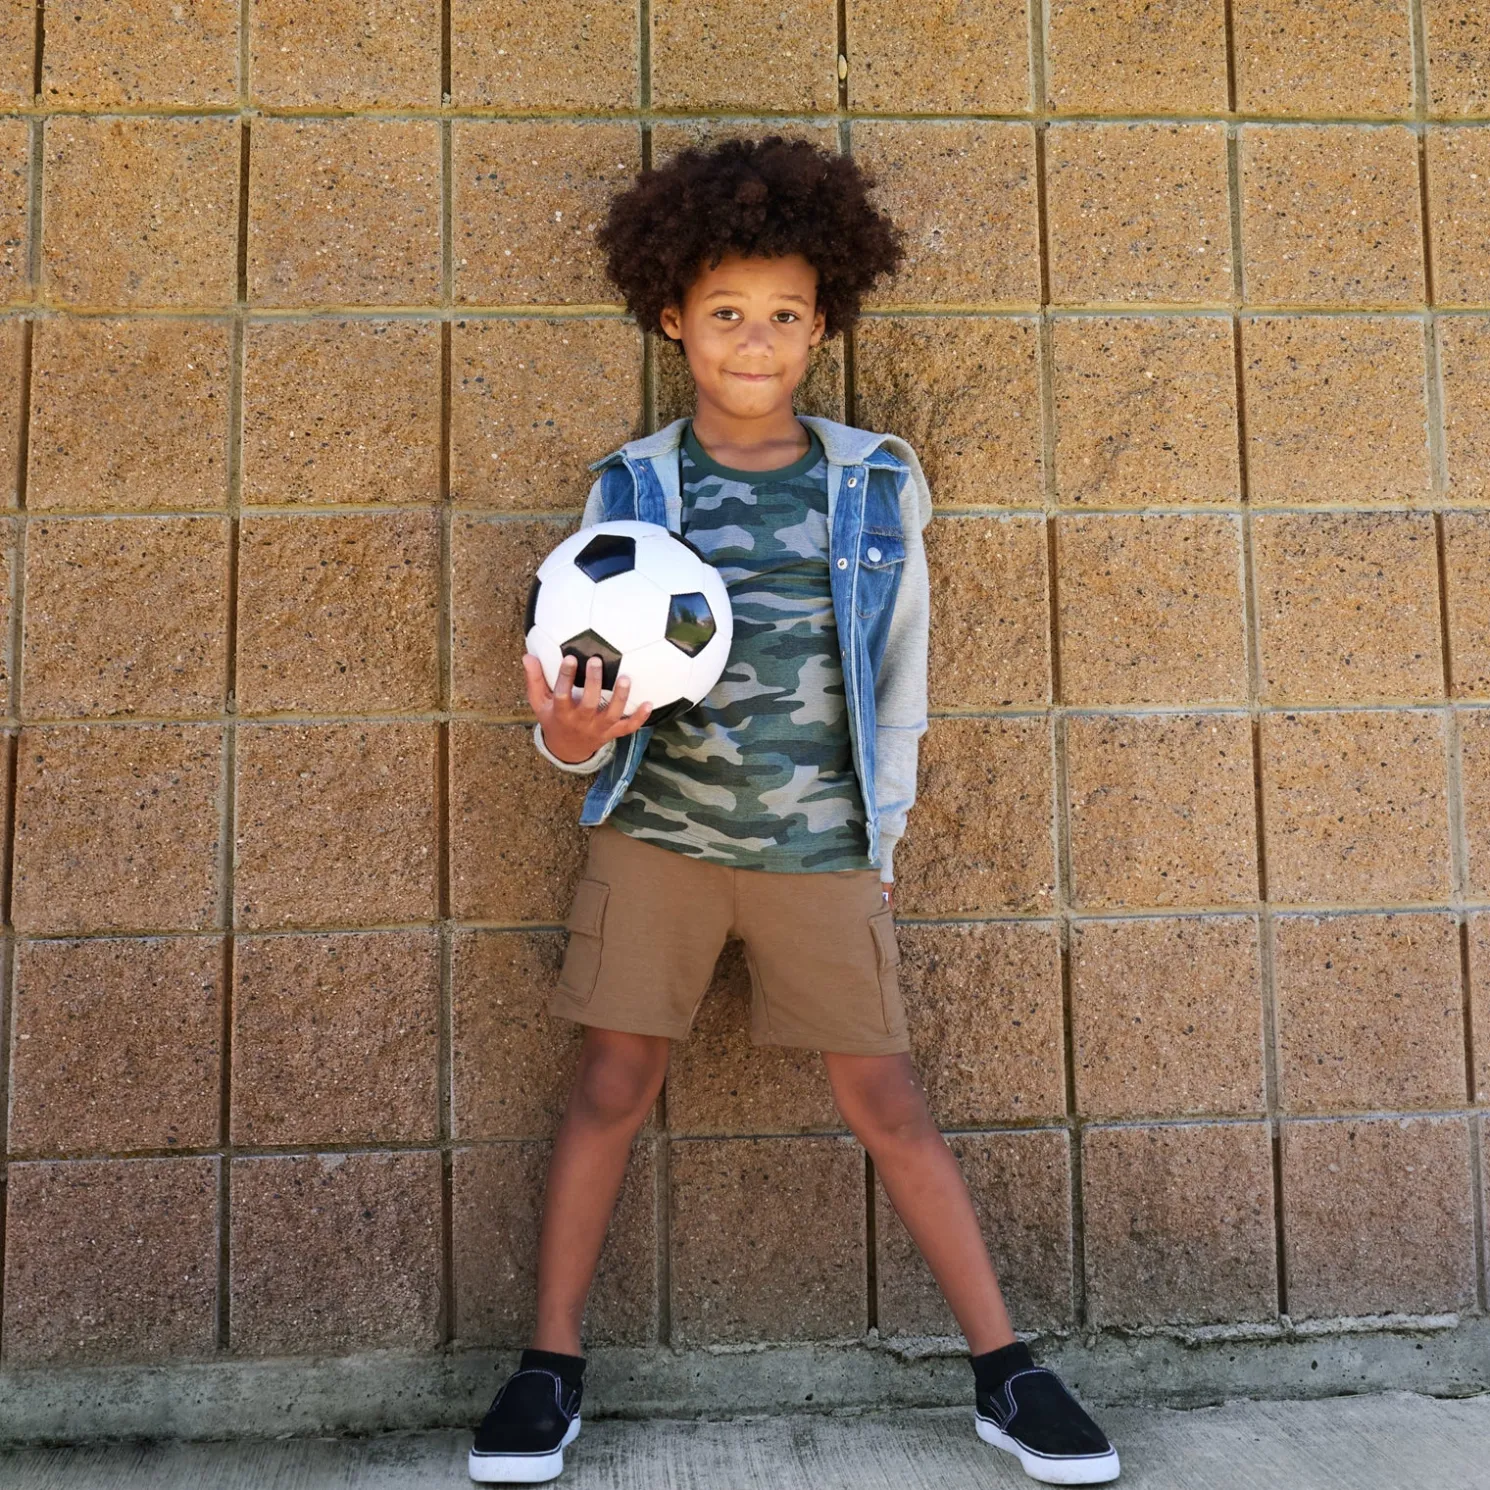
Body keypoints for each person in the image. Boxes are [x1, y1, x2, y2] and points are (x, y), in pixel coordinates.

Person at [468, 134, 1120, 1487]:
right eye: (722, 315)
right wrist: (564, 735)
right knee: (606, 1083)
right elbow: (571, 696)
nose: (751, 341)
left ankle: (1007, 1368)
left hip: (820, 848)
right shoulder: (631, 490)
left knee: (886, 1094)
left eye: (779, 315)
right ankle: (546, 1365)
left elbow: (899, 680)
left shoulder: (872, 479)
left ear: (822, 323)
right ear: (669, 318)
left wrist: (879, 840)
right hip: (657, 838)